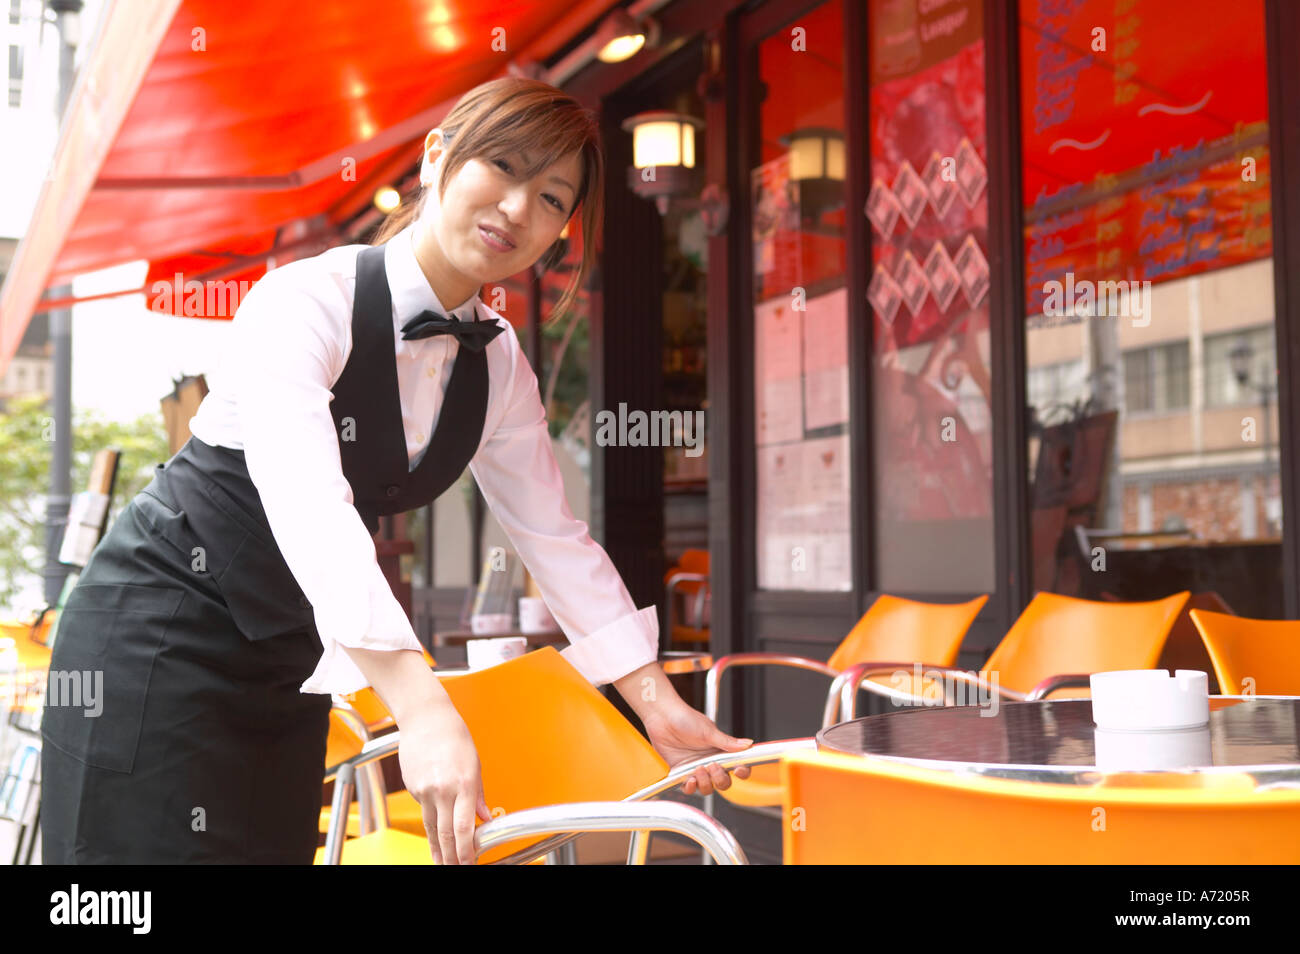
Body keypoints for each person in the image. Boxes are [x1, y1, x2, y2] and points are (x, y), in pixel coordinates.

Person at [39, 76, 752, 866]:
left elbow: (555, 539)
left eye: (552, 200)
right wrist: (420, 707)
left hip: (291, 654)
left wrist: (653, 700)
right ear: (436, 157)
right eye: (503, 166)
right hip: (156, 629)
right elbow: (312, 507)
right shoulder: (304, 300)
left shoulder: (502, 368)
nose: (519, 208)